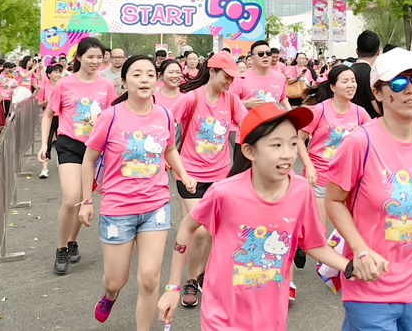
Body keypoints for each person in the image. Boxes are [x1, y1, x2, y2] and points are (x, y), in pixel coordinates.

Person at [158, 102, 360, 330]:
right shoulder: (224, 192)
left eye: (294, 143)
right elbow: (187, 228)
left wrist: (350, 266)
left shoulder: (301, 191)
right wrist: (173, 287)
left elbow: (314, 244)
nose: (288, 154)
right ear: (249, 151)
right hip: (222, 315)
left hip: (271, 316)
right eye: (276, 145)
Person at [326, 48, 412, 330]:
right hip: (371, 283)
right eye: (399, 83)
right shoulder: (359, 142)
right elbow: (334, 201)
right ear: (378, 92)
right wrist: (359, 249)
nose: (411, 91)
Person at [77, 55, 196, 330]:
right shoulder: (111, 116)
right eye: (137, 74)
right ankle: (110, 295)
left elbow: (169, 149)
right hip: (118, 208)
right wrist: (86, 201)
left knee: (150, 278)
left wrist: (184, 174)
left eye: (149, 75)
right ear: (125, 81)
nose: (144, 80)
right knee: (116, 280)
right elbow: (88, 159)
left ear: (157, 80)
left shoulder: (165, 115)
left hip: (155, 205)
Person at [171, 51, 248, 308]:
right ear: (212, 72)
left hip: (221, 176)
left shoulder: (233, 101)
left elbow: (249, 128)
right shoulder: (190, 99)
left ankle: (203, 272)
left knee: (214, 231)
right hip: (190, 175)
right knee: (200, 230)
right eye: (226, 77)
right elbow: (164, 129)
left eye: (232, 78)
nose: (229, 82)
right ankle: (191, 280)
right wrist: (176, 168)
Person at [38, 37, 118, 275]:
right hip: (69, 144)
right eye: (89, 57)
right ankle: (61, 248)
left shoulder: (107, 85)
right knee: (71, 197)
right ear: (79, 58)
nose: (94, 61)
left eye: (98, 57)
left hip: (96, 149)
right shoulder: (64, 84)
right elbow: (49, 114)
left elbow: (114, 116)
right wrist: (44, 143)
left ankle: (73, 240)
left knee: (85, 199)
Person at [298, 64, 371, 226]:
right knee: (320, 231)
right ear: (332, 87)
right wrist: (309, 165)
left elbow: (373, 142)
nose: (351, 85)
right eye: (345, 81)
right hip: (320, 177)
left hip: (348, 180)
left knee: (347, 232)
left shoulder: (361, 112)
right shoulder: (320, 110)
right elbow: (298, 139)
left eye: (353, 81)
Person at [35, 64, 64, 179]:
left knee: (62, 141)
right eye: (55, 72)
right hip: (49, 117)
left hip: (61, 117)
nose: (58, 75)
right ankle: (44, 168)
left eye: (59, 72)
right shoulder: (44, 87)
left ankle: (62, 163)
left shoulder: (63, 86)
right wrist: (45, 103)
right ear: (49, 74)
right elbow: (38, 103)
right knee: (46, 141)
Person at [350, 30, 381, 119]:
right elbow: (378, 108)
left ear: (357, 51)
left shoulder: (346, 72)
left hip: (349, 125)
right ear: (378, 52)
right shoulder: (373, 75)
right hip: (368, 125)